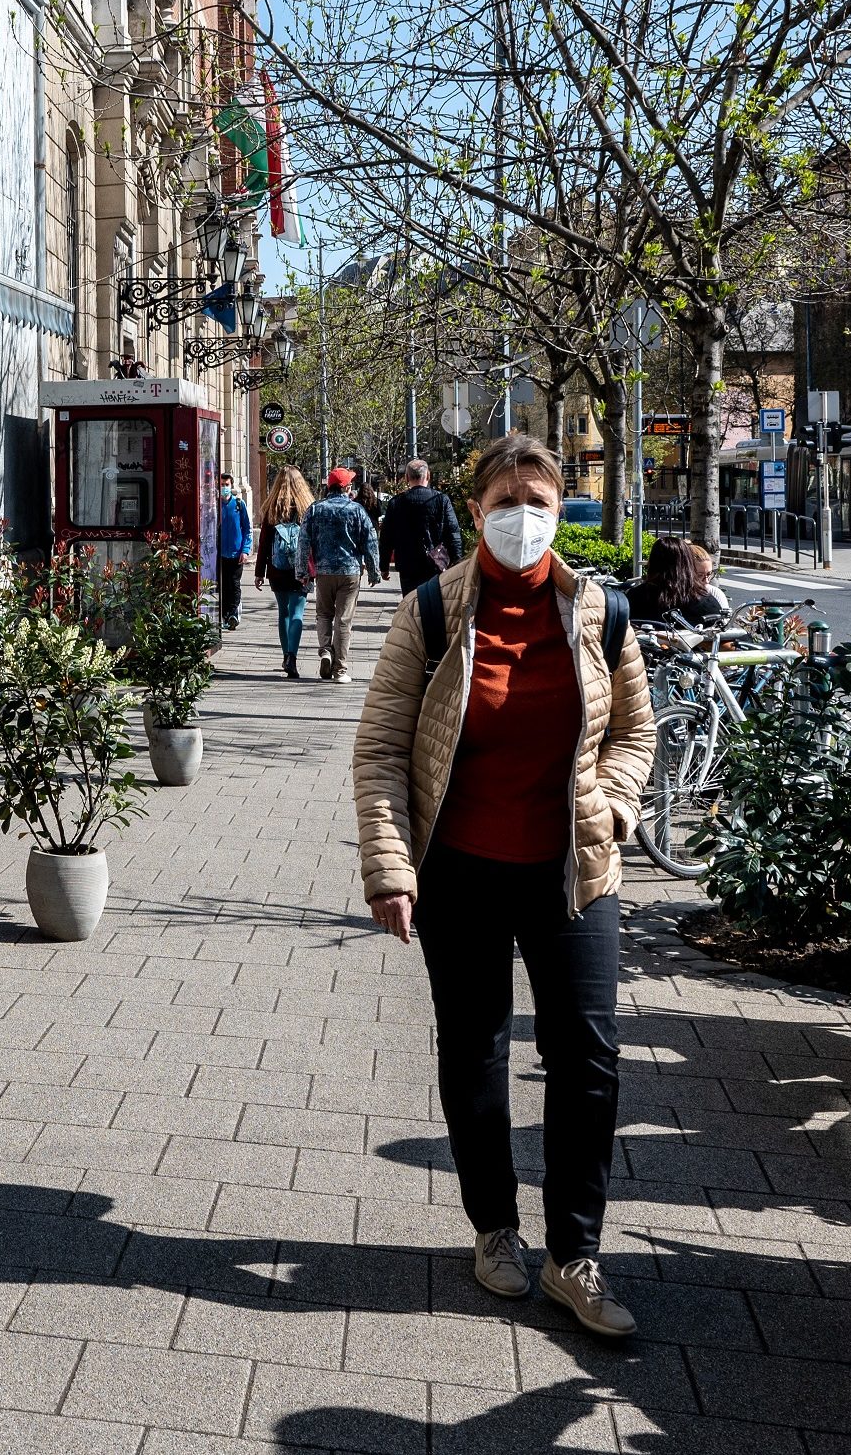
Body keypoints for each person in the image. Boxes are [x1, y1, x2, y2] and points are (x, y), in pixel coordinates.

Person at [351, 431, 657, 1339]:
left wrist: (618, 809)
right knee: (476, 1052)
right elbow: (378, 752)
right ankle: (495, 1228)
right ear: (474, 508)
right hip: (461, 871)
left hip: (574, 870)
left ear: (560, 512)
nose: (523, 516)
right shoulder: (432, 614)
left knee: (589, 1059)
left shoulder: (601, 613)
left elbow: (635, 732)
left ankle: (575, 1253)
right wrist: (389, 866)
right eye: (506, 500)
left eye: (540, 501)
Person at [305, 466, 383, 682]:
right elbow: (370, 542)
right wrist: (374, 571)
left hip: (323, 571)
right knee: (343, 619)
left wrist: (302, 571)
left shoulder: (315, 509)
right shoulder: (357, 510)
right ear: (347, 487)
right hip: (350, 572)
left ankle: (326, 651)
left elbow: (303, 542)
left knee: (323, 614)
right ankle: (340, 669)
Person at [259, 465, 316, 679]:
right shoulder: (307, 508)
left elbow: (264, 543)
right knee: (297, 614)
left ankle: (285, 656)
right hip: (302, 569)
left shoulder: (272, 508)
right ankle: (292, 656)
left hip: (277, 568)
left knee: (283, 612)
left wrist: (259, 572)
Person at [379, 458, 466, 599]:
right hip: (435, 564)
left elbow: (386, 537)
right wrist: (457, 563)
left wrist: (384, 566)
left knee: (411, 605)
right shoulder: (441, 500)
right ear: (428, 476)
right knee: (434, 604)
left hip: (407, 564)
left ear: (407, 477)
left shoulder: (396, 502)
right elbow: (453, 533)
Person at [625, 537, 726, 626]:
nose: (706, 581)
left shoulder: (633, 597)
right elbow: (722, 634)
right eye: (700, 575)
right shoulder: (703, 600)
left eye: (709, 574)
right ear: (688, 565)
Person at [215, 473, 253, 629]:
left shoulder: (238, 504)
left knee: (234, 584)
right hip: (220, 553)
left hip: (236, 553)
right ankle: (224, 615)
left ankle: (233, 614)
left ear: (231, 486)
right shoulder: (215, 505)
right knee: (222, 586)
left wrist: (245, 550)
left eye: (227, 485)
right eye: (222, 485)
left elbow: (247, 528)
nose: (224, 488)